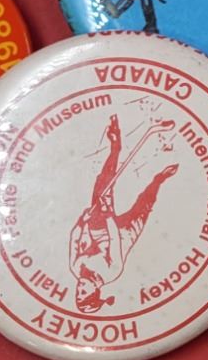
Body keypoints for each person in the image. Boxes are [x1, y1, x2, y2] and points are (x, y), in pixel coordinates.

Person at [70, 115, 179, 313]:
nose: (80, 288)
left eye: (77, 293)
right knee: (143, 206)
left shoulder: (76, 267)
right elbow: (115, 240)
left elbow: (75, 239)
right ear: (95, 291)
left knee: (102, 186)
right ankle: (159, 179)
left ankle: (115, 146)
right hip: (124, 234)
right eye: (84, 293)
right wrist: (107, 214)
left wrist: (82, 222)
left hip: (99, 231)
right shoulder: (111, 272)